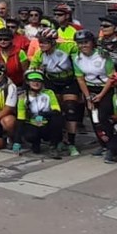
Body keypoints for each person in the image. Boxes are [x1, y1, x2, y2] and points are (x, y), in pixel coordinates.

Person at [29, 28, 82, 156]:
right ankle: (57, 139)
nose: (41, 45)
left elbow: (82, 50)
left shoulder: (67, 47)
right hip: (52, 81)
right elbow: (32, 71)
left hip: (69, 80)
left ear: (53, 42)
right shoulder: (39, 54)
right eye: (40, 42)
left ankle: (71, 142)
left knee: (70, 109)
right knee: (56, 111)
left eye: (45, 42)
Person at [15, 70, 63, 158]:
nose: (36, 83)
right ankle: (35, 143)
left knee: (58, 118)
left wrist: (44, 115)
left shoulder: (49, 93)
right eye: (33, 81)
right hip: (32, 124)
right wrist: (17, 141)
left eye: (38, 81)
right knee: (30, 135)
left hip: (46, 123)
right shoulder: (23, 97)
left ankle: (53, 146)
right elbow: (20, 119)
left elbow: (57, 110)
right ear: (27, 82)